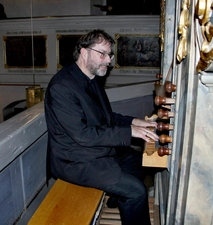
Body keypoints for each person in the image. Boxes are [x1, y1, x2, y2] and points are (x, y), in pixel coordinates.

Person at [44, 29, 159, 225]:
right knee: (136, 191)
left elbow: (105, 117)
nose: (108, 60)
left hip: (94, 150)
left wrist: (134, 122)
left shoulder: (91, 77)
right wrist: (129, 132)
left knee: (139, 163)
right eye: (102, 54)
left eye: (110, 54)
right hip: (75, 161)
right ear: (83, 52)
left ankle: (116, 198)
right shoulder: (62, 87)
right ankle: (125, 197)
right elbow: (83, 135)